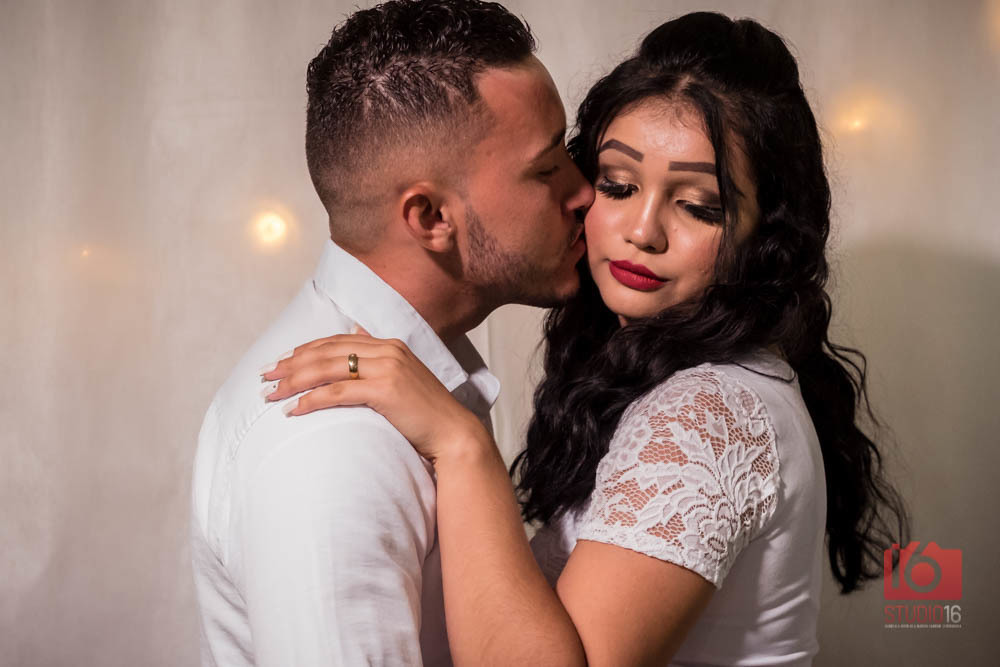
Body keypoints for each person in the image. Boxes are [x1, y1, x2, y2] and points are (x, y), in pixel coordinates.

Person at [263, 11, 911, 666]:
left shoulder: (709, 410)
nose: (643, 231)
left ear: (764, 235)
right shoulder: (669, 379)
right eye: (618, 185)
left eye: (699, 206)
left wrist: (461, 445)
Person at [190, 1, 592, 665]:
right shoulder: (333, 443)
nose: (583, 193)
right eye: (547, 168)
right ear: (431, 217)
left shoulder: (411, 387)